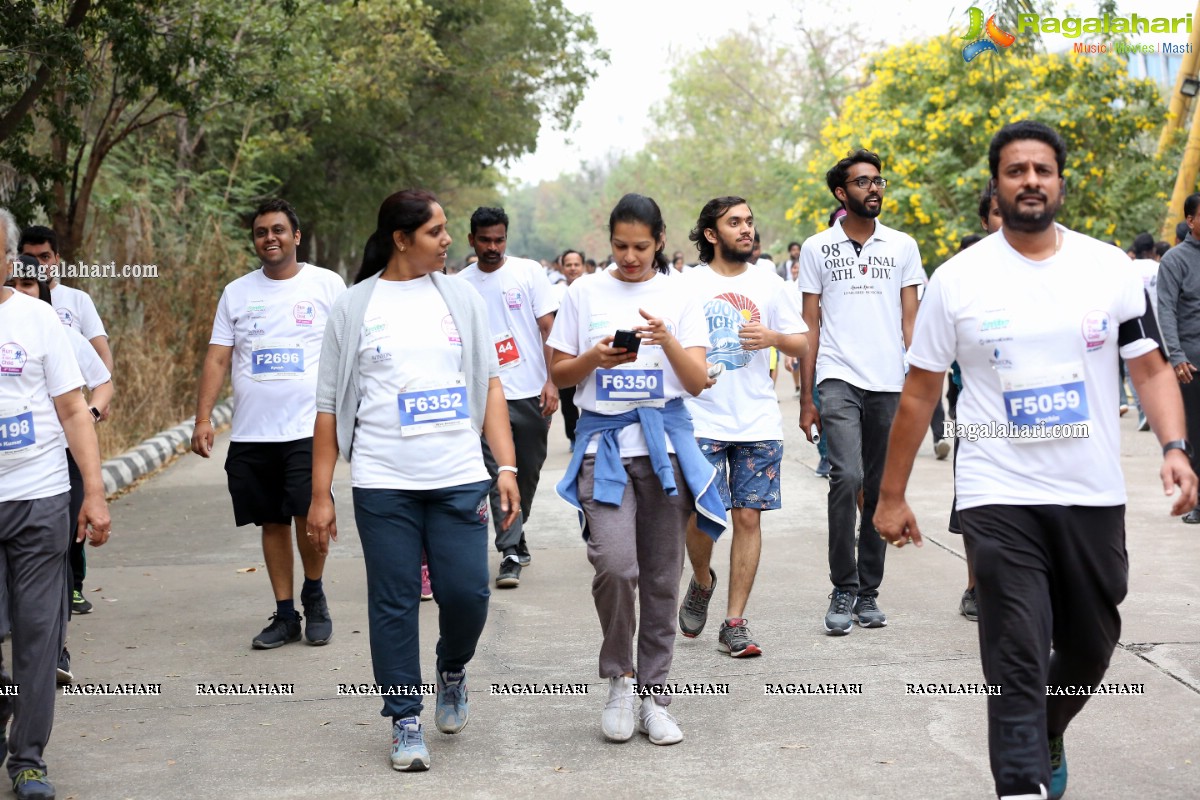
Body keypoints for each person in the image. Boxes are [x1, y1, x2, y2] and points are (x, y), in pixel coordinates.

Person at [875, 120, 1196, 800]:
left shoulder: (1107, 268)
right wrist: (891, 494)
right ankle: (1020, 784)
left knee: (1089, 644)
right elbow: (920, 392)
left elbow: (1149, 367)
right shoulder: (958, 280)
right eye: (1016, 170)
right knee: (1016, 651)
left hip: (1090, 492)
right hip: (999, 491)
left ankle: (1048, 726)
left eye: (1041, 170)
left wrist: (1174, 447)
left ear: (1059, 182)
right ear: (996, 184)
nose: (1030, 181)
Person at [308, 189, 518, 772]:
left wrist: (505, 466)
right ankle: (404, 717)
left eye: (447, 229)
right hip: (383, 481)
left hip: (456, 477)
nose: (448, 240)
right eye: (436, 232)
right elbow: (328, 408)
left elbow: (490, 385)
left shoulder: (462, 299)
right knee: (394, 602)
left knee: (467, 595)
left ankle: (452, 668)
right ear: (401, 240)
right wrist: (320, 494)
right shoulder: (354, 307)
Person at [549, 193, 726, 746]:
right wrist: (594, 359)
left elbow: (696, 381)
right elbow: (558, 375)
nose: (630, 257)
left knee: (660, 576)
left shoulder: (680, 294)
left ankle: (655, 692)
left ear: (659, 241)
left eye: (641, 247)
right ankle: (619, 679)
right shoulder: (583, 292)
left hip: (665, 449)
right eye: (621, 246)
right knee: (616, 566)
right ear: (610, 240)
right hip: (604, 449)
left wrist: (667, 338)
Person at [190, 199, 345, 649]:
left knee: (307, 514)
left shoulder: (327, 285)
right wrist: (203, 417)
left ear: (296, 236)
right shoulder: (237, 292)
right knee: (271, 521)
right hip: (253, 431)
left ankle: (314, 595)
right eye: (261, 232)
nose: (270, 238)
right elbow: (218, 356)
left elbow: (347, 349)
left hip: (308, 428)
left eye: (278, 230)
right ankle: (284, 614)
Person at [0, 207, 111, 800]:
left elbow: (74, 410)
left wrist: (92, 492)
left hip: (39, 495)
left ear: (8, 257)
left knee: (40, 633)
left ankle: (29, 758)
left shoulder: (40, 320)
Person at [798, 150, 923, 635]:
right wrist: (808, 397)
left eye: (878, 181)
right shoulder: (816, 248)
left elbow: (911, 320)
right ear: (841, 193)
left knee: (876, 487)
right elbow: (810, 325)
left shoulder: (902, 246)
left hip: (890, 381)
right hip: (836, 375)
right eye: (863, 182)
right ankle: (843, 585)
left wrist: (917, 379)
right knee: (845, 477)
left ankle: (868, 592)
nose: (874, 189)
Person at [676, 197, 808, 658]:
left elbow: (804, 343)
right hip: (701, 416)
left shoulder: (768, 282)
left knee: (747, 516)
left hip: (756, 418)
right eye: (735, 223)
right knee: (700, 517)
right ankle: (701, 579)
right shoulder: (687, 285)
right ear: (711, 234)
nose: (746, 229)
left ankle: (734, 622)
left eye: (749, 221)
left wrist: (773, 338)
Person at [7, 257, 113, 685]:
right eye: (16, 282)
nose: (24, 290)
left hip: (60, 463)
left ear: (44, 289)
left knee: (59, 553)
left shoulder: (61, 332)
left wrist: (87, 414)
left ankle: (56, 649)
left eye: (31, 284)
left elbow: (102, 383)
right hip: (13, 471)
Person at [458, 207, 558, 588]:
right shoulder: (461, 284)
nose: (492, 247)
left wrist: (552, 382)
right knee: (498, 472)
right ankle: (510, 551)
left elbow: (549, 329)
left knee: (527, 472)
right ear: (472, 240)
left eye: (499, 239)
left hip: (531, 391)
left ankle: (517, 530)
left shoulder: (528, 272)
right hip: (485, 397)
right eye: (484, 240)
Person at [17, 226, 114, 377]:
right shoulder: (9, 300)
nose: (37, 265)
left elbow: (102, 354)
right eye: (30, 257)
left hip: (70, 397)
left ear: (56, 260)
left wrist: (100, 395)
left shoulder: (79, 300)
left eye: (44, 257)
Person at [1157, 191, 1200, 523]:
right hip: (1191, 364)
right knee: (1195, 435)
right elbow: (1166, 311)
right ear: (1190, 220)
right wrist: (1176, 355)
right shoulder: (1175, 260)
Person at [556, 249, 587, 451]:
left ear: (583, 267)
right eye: (569, 264)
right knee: (567, 401)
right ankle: (573, 437)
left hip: (588, 354)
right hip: (565, 356)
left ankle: (588, 434)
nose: (573, 268)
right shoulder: (554, 293)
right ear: (562, 267)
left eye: (576, 264)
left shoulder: (591, 291)